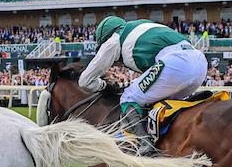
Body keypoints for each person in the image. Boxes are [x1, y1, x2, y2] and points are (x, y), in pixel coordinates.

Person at [79, 16, 207, 154]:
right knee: (157, 103)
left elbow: (85, 81)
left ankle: (145, 145)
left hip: (176, 63)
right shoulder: (142, 25)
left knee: (128, 98)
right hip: (200, 63)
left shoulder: (113, 40)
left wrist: (106, 86)